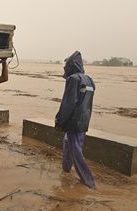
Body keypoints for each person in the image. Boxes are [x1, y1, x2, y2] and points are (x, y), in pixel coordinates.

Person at [55, 51, 96, 189]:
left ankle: (88, 181)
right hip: (84, 121)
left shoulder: (73, 79)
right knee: (68, 145)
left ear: (71, 65)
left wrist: (60, 121)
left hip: (73, 122)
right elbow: (87, 104)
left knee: (75, 150)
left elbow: (69, 103)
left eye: (66, 65)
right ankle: (66, 172)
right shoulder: (89, 80)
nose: (65, 68)